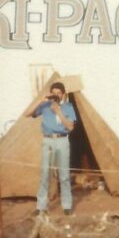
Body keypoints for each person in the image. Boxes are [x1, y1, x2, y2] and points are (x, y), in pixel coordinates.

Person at [27, 81, 77, 215]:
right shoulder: (44, 105)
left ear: (63, 94)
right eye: (53, 93)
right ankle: (41, 206)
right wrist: (40, 100)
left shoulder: (68, 106)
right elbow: (27, 114)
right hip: (47, 140)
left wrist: (58, 111)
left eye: (58, 93)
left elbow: (70, 127)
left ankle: (67, 205)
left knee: (64, 175)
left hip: (62, 141)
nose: (56, 95)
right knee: (44, 174)